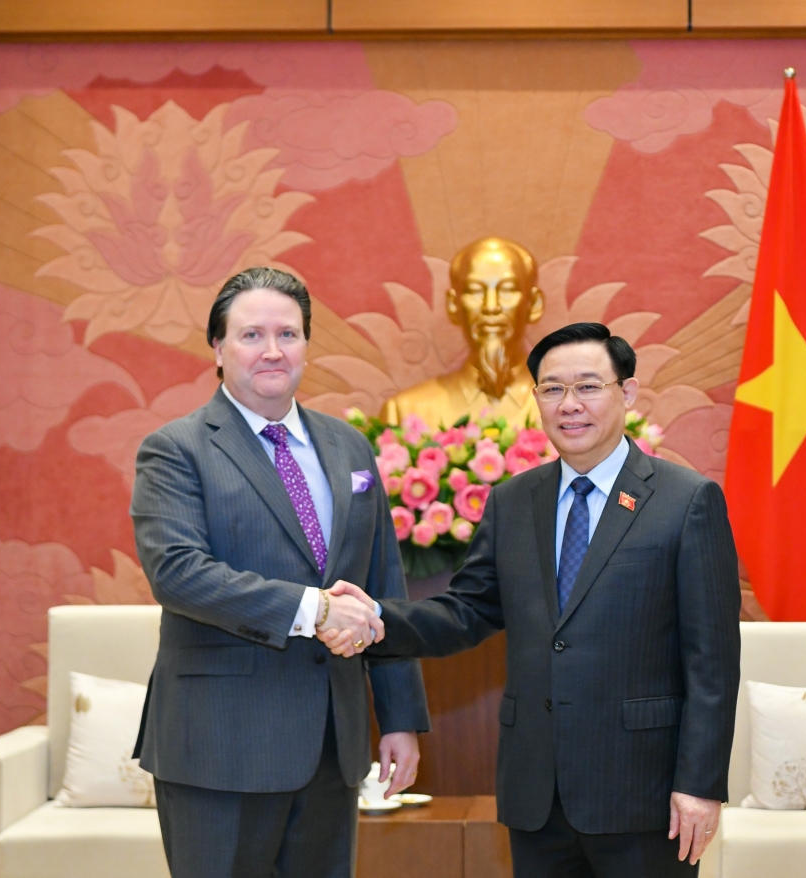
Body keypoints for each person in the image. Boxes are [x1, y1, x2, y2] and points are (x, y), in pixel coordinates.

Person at [325, 323, 741, 877]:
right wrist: (378, 617)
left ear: (627, 393)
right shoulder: (513, 501)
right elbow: (467, 610)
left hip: (644, 794)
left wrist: (699, 784)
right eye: (552, 389)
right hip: (537, 795)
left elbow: (712, 661)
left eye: (588, 387)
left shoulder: (686, 500)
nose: (569, 405)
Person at [130, 266, 430, 878]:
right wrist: (315, 609)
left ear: (306, 346)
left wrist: (400, 717)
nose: (272, 351)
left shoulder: (349, 446)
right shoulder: (176, 449)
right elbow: (178, 572)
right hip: (219, 746)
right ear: (218, 348)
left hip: (332, 745)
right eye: (251, 335)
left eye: (288, 334)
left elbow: (382, 586)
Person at [380, 236, 545, 428]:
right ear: (453, 305)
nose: (491, 307)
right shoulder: (405, 412)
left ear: (534, 304)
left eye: (507, 290)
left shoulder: (567, 409)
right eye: (474, 291)